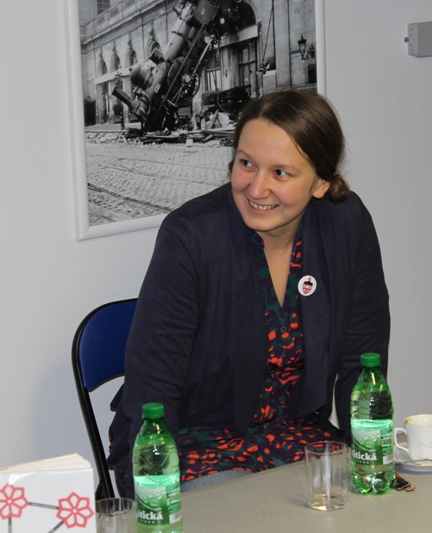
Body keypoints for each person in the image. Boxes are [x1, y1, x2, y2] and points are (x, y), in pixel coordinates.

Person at [107, 89, 390, 498]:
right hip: (192, 443)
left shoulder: (346, 225)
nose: (256, 189)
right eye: (246, 164)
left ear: (321, 183)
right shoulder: (191, 238)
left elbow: (363, 363)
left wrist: (368, 463)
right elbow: (152, 389)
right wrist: (155, 490)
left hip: (296, 436)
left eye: (280, 173)